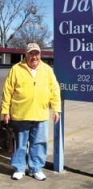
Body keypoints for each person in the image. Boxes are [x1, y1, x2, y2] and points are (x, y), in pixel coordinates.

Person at [0, 42, 61, 181]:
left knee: (39, 143)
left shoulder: (47, 70)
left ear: (40, 54)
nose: (34, 57)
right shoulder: (16, 69)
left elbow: (55, 90)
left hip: (40, 114)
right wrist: (6, 111)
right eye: (31, 54)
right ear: (26, 55)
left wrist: (56, 109)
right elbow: (7, 92)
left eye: (36, 53)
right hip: (20, 114)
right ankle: (19, 168)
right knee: (20, 144)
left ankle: (36, 169)